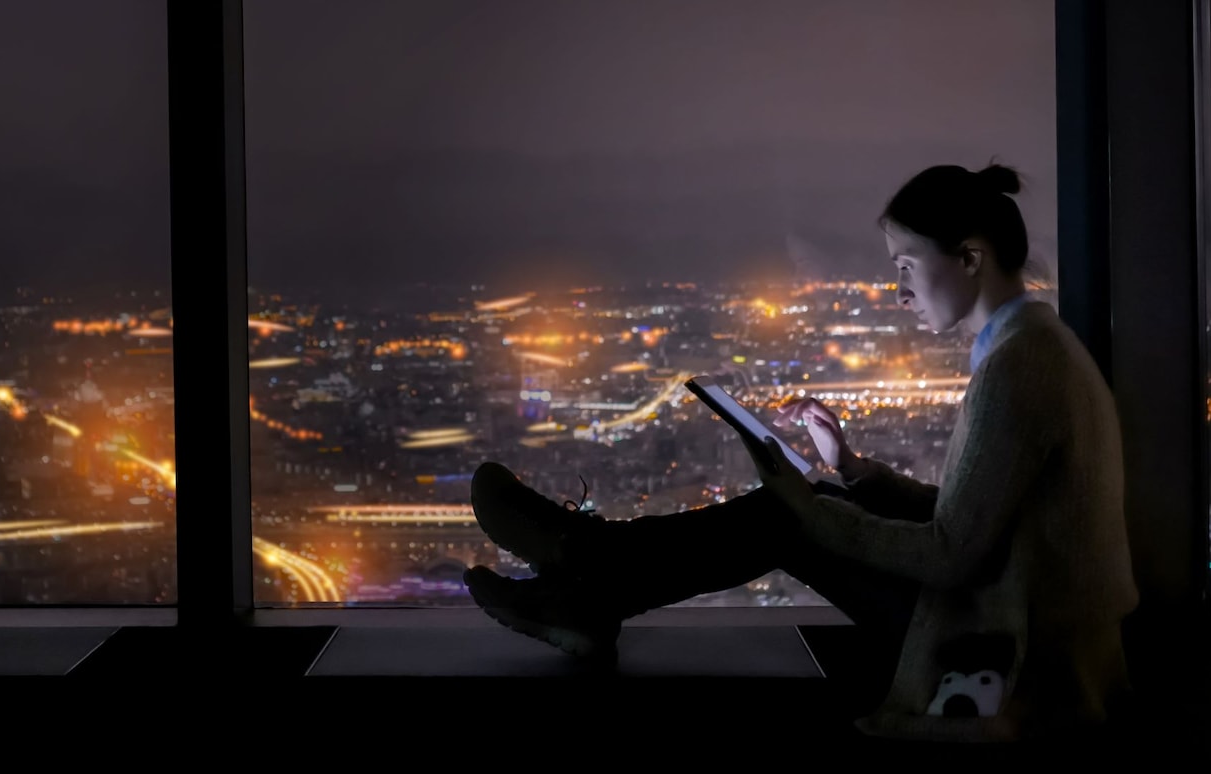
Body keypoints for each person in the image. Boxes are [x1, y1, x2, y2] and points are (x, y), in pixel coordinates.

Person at [461, 162, 1140, 744]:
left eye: (906, 267)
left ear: (968, 257)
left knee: (794, 517)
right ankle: (585, 577)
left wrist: (805, 502)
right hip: (1022, 620)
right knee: (817, 501)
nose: (899, 292)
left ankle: (581, 566)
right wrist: (853, 468)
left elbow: (951, 553)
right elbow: (987, 522)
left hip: (1009, 648)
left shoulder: (1018, 371)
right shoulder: (1037, 351)